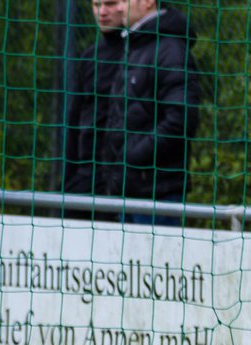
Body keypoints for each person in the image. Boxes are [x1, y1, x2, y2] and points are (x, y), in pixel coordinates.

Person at [96, 0, 201, 225]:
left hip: (157, 194)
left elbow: (180, 120)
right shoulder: (137, 45)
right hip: (128, 189)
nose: (120, 8)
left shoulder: (170, 50)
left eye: (125, 1)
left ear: (147, 2)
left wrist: (131, 156)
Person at [62, 0, 129, 209]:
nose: (102, 12)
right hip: (86, 173)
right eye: (96, 5)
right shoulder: (90, 57)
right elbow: (74, 119)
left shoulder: (141, 54)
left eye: (109, 4)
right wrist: (70, 175)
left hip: (123, 176)